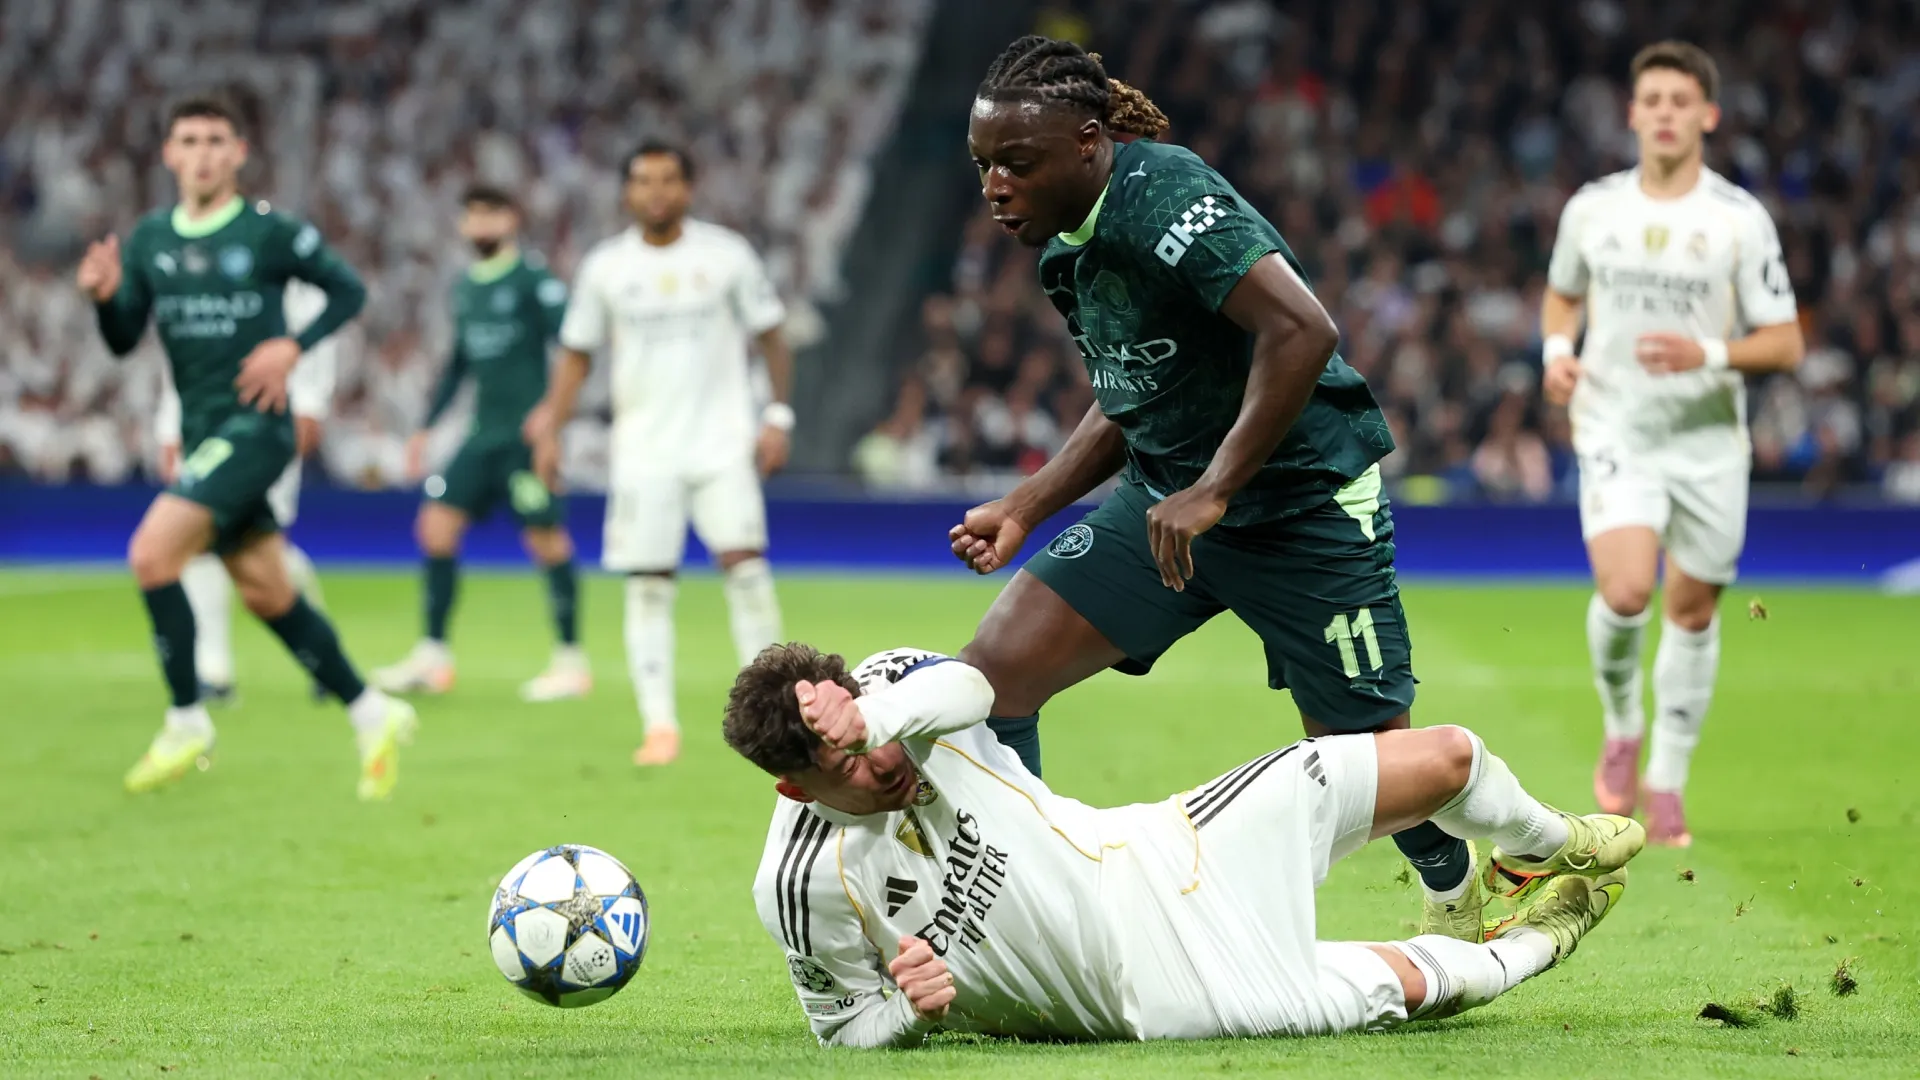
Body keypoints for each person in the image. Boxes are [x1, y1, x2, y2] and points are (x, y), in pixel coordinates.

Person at [946, 36, 1483, 939]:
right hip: (1165, 509)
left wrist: (1218, 487)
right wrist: (1025, 506)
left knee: (1362, 756)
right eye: (983, 166)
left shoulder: (1168, 197)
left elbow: (1303, 331)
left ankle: (1457, 874)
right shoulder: (1063, 251)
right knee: (992, 678)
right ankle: (1032, 913)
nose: (995, 186)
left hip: (1300, 504)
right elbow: (1133, 395)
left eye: (1017, 164)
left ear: (1088, 142)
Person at [727, 643, 1643, 1048]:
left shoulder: (891, 693)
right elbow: (844, 1028)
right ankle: (1543, 939)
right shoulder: (800, 883)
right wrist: (909, 1010)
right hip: (1155, 999)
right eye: (846, 762)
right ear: (793, 787)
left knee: (1444, 755)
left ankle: (1548, 842)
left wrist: (875, 715)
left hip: (1158, 851)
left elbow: (972, 687)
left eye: (871, 734)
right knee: (1408, 988)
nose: (882, 763)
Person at [75, 95, 416, 799]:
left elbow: (348, 292)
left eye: (215, 140)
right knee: (266, 591)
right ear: (169, 154)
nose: (201, 153)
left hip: (258, 428)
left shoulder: (268, 234)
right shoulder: (148, 241)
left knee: (151, 554)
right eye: (188, 140)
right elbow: (120, 339)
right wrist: (105, 297)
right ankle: (373, 710)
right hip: (202, 429)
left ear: (238, 154)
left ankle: (186, 720)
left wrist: (293, 345)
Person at [1541, 41, 1803, 846]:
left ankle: (1669, 784)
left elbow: (1787, 340)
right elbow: (1560, 299)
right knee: (1626, 593)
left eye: (1679, 101)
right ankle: (1623, 728)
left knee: (1691, 613)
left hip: (1708, 443)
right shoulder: (1592, 209)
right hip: (1618, 423)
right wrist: (1557, 356)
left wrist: (1710, 354)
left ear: (1707, 116)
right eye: (1650, 98)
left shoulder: (1736, 220)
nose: (1663, 112)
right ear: (1631, 114)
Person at [524, 141, 795, 767]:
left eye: (668, 180)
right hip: (644, 450)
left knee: (746, 570)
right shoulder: (606, 268)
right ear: (626, 192)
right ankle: (660, 726)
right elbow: (576, 353)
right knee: (648, 584)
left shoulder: (725, 255)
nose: (655, 191)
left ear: (688, 189)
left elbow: (772, 334)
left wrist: (776, 416)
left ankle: (780, 715)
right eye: (643, 180)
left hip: (722, 442)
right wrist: (551, 430)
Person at [372, 185, 586, 702]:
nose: (481, 224)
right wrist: (426, 425)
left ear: (512, 220)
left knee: (545, 540)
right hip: (481, 435)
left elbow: (575, 346)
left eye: (491, 213)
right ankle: (433, 655)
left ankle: (570, 661)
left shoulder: (534, 280)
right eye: (472, 215)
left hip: (524, 441)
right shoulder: (466, 287)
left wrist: (552, 414)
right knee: (436, 527)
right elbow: (460, 363)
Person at [156, 279, 336, 705]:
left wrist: (303, 422)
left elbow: (313, 374)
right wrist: (169, 428)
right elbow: (179, 362)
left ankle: (321, 653)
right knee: (198, 543)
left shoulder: (303, 297)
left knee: (260, 548)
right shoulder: (202, 276)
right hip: (205, 427)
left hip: (267, 429)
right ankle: (213, 669)